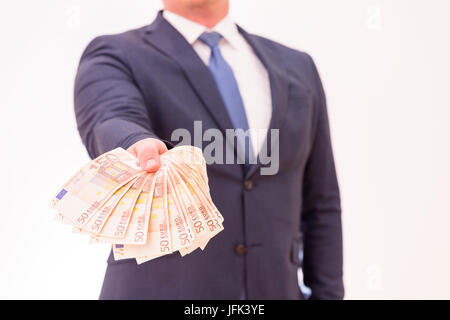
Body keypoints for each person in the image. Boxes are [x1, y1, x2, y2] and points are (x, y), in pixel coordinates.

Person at [74, 0, 344, 299]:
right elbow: (110, 117)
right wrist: (134, 143)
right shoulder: (116, 54)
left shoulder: (298, 66)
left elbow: (321, 203)